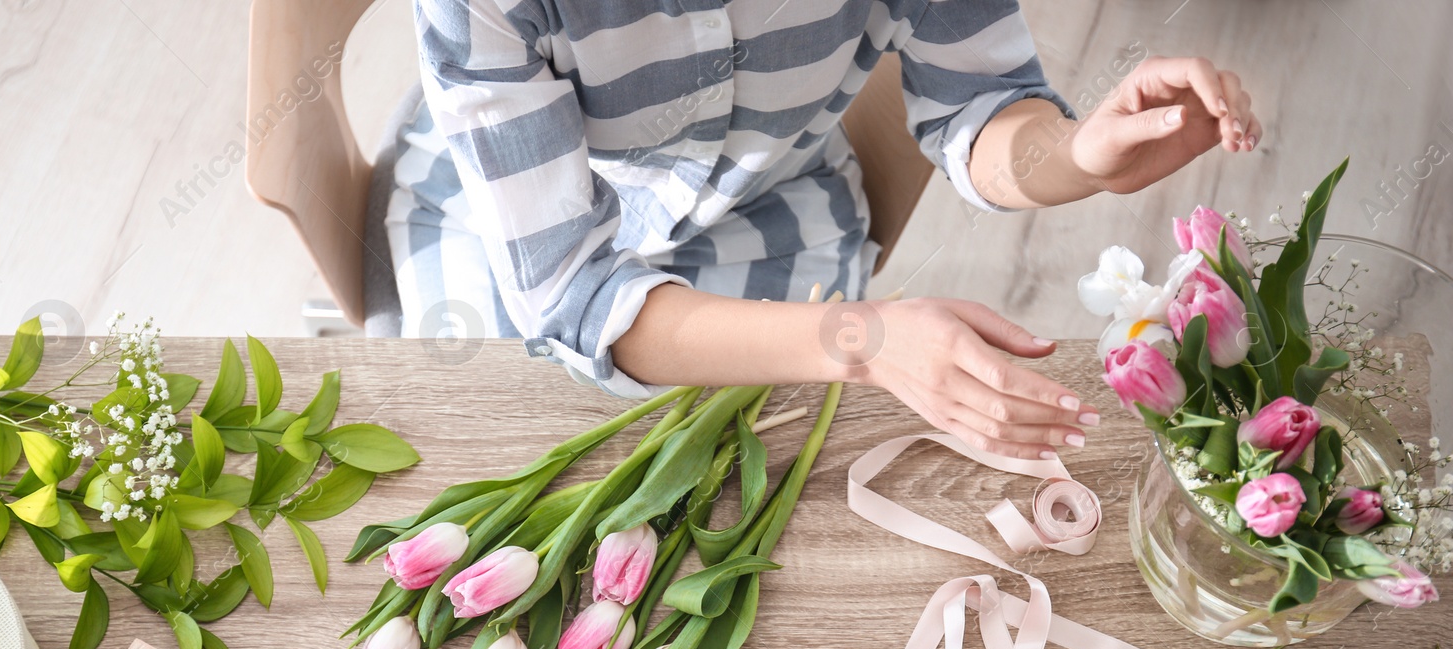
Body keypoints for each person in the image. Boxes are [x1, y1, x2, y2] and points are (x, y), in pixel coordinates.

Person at [384, 1, 1259, 459]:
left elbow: (980, 108)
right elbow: (569, 291)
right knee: (486, 440)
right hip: (506, 215)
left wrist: (1078, 153)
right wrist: (865, 342)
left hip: (769, 213)